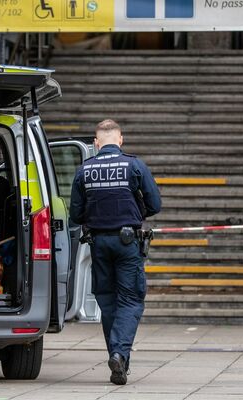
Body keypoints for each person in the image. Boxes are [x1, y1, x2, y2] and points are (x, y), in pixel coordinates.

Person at [69, 119, 161, 385]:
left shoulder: (84, 170)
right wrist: (135, 210)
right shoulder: (134, 165)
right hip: (127, 242)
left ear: (96, 143)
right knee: (131, 300)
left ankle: (117, 359)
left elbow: (76, 214)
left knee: (107, 302)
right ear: (120, 140)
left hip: (98, 243)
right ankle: (120, 354)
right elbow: (155, 203)